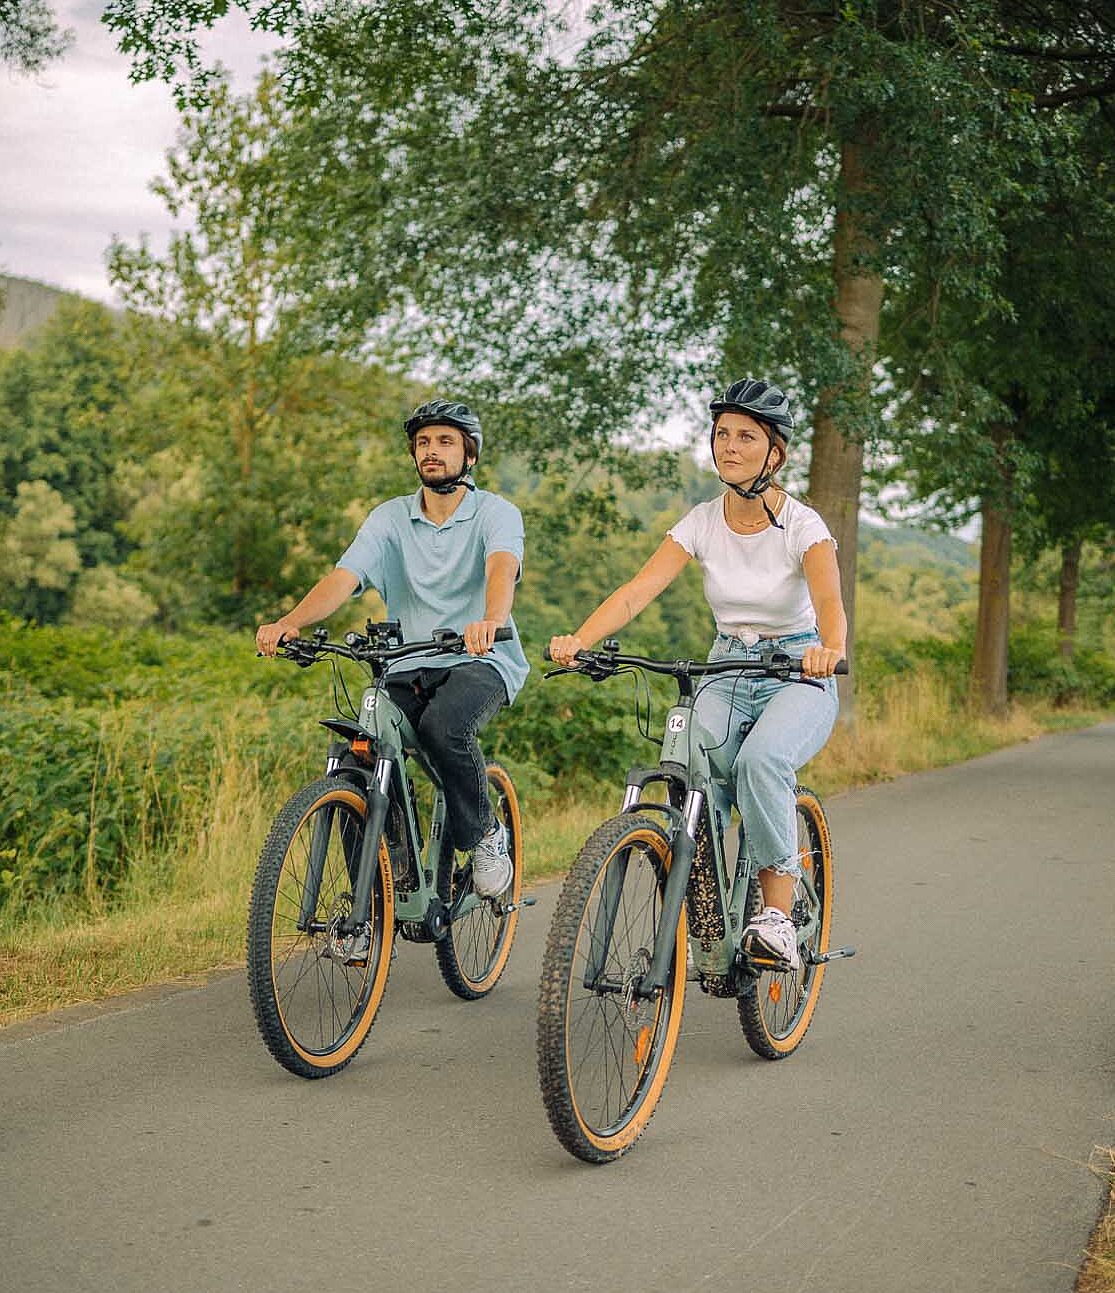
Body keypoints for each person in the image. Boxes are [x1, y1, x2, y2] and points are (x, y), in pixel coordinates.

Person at [548, 378, 847, 970]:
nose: (730, 446)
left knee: (762, 761)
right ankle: (707, 908)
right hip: (726, 665)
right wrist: (583, 638)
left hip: (798, 670)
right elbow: (638, 591)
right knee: (685, 756)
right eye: (721, 435)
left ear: (775, 452)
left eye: (745, 436)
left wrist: (830, 648)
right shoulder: (703, 522)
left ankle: (778, 916)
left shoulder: (804, 526)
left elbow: (831, 604)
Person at [256, 398, 528, 902]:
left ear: (469, 455)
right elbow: (345, 576)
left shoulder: (496, 513)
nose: (431, 451)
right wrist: (291, 621)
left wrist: (490, 621)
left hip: (479, 661)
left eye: (445, 441)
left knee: (444, 728)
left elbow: (500, 568)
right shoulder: (390, 518)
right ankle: (381, 889)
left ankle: (485, 835)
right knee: (358, 748)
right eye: (423, 442)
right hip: (407, 663)